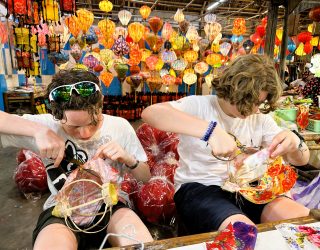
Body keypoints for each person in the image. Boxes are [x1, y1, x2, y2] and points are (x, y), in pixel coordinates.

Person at [141, 54, 310, 235]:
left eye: (259, 103)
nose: (253, 109)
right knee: (242, 233)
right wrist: (210, 131)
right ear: (232, 88)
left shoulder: (259, 118)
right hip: (199, 188)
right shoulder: (199, 105)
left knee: (304, 224)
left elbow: (302, 160)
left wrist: (294, 142)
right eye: (248, 101)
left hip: (248, 188)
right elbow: (151, 113)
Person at [0, 69, 153, 249]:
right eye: (73, 127)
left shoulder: (120, 126)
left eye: (93, 122)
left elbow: (146, 178)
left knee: (140, 244)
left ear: (101, 103)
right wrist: (38, 131)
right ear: (56, 116)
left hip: (110, 204)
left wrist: (129, 159)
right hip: (62, 209)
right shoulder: (46, 125)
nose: (85, 133)